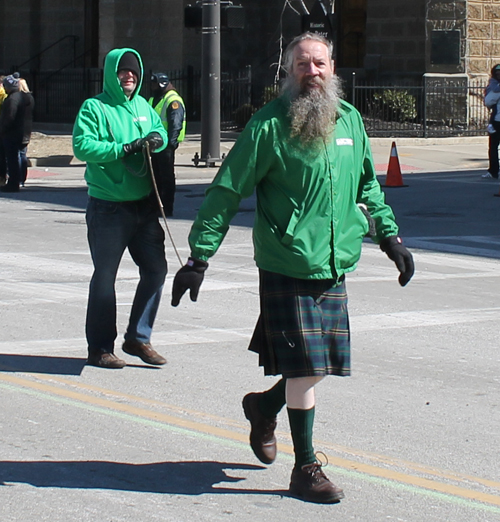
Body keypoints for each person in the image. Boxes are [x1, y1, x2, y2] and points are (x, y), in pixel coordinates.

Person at [171, 32, 414, 503]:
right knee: (307, 367)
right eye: (302, 64)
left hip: (333, 262)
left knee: (318, 366)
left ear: (333, 66)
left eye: (319, 63)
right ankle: (305, 467)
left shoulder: (349, 121)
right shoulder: (267, 127)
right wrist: (199, 257)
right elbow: (225, 191)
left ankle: (262, 407)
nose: (312, 72)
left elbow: (368, 185)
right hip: (286, 261)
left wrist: (390, 236)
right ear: (288, 71)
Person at [72, 48, 170, 369]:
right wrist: (122, 148)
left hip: (143, 206)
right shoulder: (95, 108)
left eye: (134, 72)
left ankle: (138, 338)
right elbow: (82, 145)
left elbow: (162, 131)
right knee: (105, 278)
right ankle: (100, 348)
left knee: (156, 270)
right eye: (123, 71)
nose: (129, 76)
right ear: (111, 74)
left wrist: (158, 138)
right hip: (109, 208)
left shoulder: (143, 105)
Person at [148, 72, 186, 216]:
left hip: (166, 145)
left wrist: (171, 144)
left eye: (154, 84)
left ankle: (167, 207)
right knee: (155, 176)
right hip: (154, 145)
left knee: (166, 177)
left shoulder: (173, 100)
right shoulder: (154, 99)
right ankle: (155, 205)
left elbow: (175, 123)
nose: (152, 87)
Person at [0, 73, 25, 192]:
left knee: (12, 159)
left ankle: (13, 183)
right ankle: (15, 181)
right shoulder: (19, 97)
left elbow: (9, 117)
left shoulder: (12, 99)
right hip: (17, 132)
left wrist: (3, 129)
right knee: (15, 158)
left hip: (12, 134)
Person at [484, 64, 500, 179]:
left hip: (497, 120)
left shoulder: (495, 88)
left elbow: (489, 101)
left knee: (493, 146)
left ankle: (493, 171)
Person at [18, 78, 35, 186]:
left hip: (19, 128)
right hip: (27, 129)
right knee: (23, 154)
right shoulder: (30, 98)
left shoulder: (18, 98)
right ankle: (22, 178)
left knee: (18, 154)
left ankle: (18, 177)